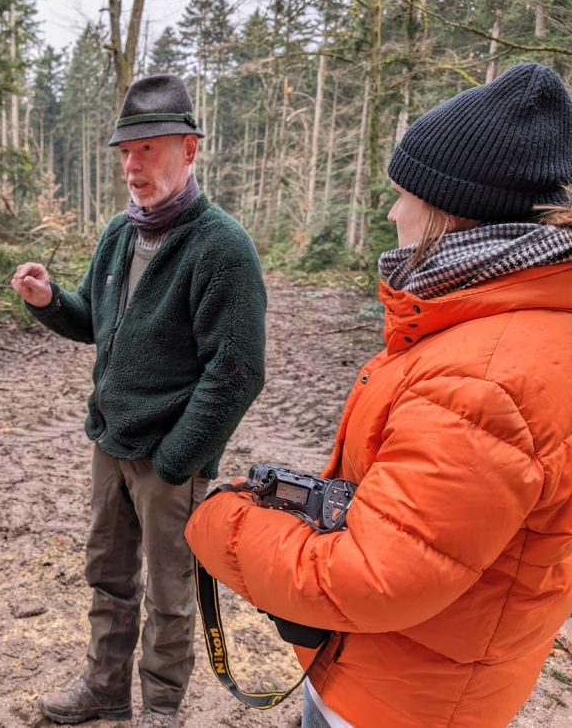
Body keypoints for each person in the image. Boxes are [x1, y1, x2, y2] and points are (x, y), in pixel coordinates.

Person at [186, 61, 572, 728]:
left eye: (404, 194)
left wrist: (219, 523)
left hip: (399, 701)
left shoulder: (482, 376)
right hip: (424, 677)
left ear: (447, 209)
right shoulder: (504, 331)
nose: (392, 211)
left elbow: (372, 577)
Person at [11, 74, 266, 727]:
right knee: (108, 575)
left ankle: (159, 709)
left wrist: (179, 458)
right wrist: (50, 303)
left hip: (169, 460)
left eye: (149, 148)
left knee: (172, 592)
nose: (133, 164)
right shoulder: (119, 235)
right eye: (126, 151)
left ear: (190, 149)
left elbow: (236, 373)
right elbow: (96, 319)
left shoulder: (223, 249)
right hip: (111, 442)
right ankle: (103, 687)